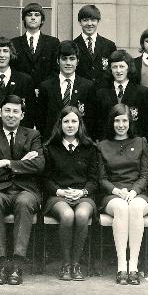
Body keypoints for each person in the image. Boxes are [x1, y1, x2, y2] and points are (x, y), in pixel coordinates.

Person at [0, 95, 44, 285]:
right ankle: (1, 264)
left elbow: (39, 165)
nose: (11, 115)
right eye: (7, 110)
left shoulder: (32, 136)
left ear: (22, 115)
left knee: (24, 202)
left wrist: (5, 163)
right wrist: (20, 165)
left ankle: (16, 264)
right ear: (0, 112)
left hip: (26, 190)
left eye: (16, 111)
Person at [43, 106, 99, 281]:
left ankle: (76, 264)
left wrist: (82, 192)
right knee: (67, 215)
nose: (70, 125)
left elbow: (94, 179)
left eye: (74, 121)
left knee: (82, 215)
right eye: (66, 121)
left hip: (83, 196)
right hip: (58, 196)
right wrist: (60, 191)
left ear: (80, 124)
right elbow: (45, 179)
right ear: (60, 124)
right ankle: (66, 264)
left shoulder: (89, 148)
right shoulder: (50, 147)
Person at [98, 104, 148, 285]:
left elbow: (145, 174)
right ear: (112, 122)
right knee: (121, 207)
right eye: (117, 120)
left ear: (130, 121)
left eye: (124, 120)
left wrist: (134, 191)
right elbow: (101, 178)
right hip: (112, 194)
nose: (121, 124)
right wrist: (116, 191)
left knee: (135, 208)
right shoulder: (102, 146)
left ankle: (133, 267)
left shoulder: (140, 142)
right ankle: (121, 267)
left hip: (137, 193)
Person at [38, 40, 95, 141]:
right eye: (64, 59)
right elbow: (41, 120)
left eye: (72, 59)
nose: (68, 63)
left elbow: (90, 119)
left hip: (79, 142)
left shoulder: (87, 86)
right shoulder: (46, 86)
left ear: (77, 61)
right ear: (57, 61)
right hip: (52, 142)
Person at [95, 50, 148, 142]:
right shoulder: (101, 94)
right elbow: (98, 124)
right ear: (110, 69)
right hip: (109, 144)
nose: (118, 70)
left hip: (134, 143)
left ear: (128, 68)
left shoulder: (142, 92)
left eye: (122, 66)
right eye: (115, 67)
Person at [10, 2, 60, 92]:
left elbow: (56, 70)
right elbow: (12, 70)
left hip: (46, 92)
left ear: (42, 20)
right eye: (29, 15)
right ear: (24, 19)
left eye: (37, 15)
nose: (33, 18)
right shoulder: (14, 43)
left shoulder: (53, 43)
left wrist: (44, 87)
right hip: (21, 92)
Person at [72, 5, 117, 88]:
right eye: (85, 20)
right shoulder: (73, 45)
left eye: (93, 20)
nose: (89, 24)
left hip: (103, 93)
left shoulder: (109, 45)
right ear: (79, 22)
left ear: (98, 21)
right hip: (81, 93)